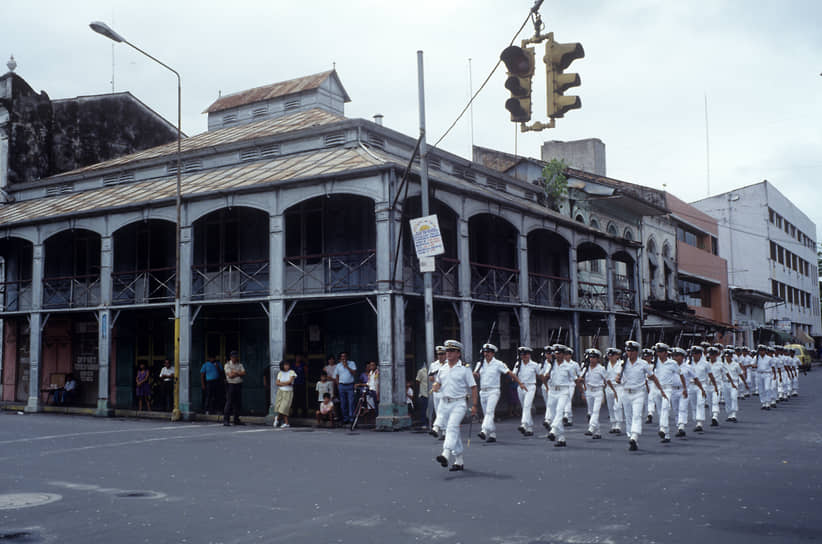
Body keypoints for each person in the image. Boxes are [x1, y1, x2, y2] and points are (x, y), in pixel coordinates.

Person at [432, 339, 478, 472]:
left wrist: (474, 405)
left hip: (459, 403)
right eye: (447, 351)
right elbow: (438, 383)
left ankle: (445, 454)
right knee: (454, 432)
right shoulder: (442, 369)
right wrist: (436, 385)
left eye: (452, 351)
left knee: (452, 428)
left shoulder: (464, 369)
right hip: (445, 403)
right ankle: (459, 460)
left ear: (458, 353)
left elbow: (473, 387)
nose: (448, 353)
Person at [618, 340, 666, 451]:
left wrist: (661, 390)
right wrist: (617, 378)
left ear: (636, 352)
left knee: (637, 415)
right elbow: (618, 376)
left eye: (631, 351)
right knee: (628, 417)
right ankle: (631, 437)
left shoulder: (643, 364)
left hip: (638, 393)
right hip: (626, 392)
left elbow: (653, 377)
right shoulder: (623, 363)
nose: (628, 353)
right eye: (627, 351)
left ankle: (634, 436)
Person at [473, 343, 526, 443]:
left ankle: (484, 430)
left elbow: (509, 373)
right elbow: (475, 375)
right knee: (487, 414)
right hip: (483, 391)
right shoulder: (480, 363)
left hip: (494, 391)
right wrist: (474, 374)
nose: (486, 354)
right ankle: (492, 434)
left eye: (488, 352)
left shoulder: (498, 363)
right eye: (485, 352)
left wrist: (520, 383)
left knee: (489, 412)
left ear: (493, 354)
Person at [651, 343, 686, 443]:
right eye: (658, 352)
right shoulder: (654, 363)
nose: (659, 354)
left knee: (665, 409)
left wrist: (684, 388)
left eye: (661, 352)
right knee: (659, 411)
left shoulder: (672, 363)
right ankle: (666, 435)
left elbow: (681, 375)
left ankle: (662, 428)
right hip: (657, 388)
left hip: (667, 389)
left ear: (666, 353)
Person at [545, 344, 579, 447]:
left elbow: (575, 379)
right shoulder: (551, 364)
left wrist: (582, 390)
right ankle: (561, 438)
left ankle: (553, 430)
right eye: (556, 353)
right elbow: (545, 377)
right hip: (552, 391)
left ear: (564, 355)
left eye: (559, 353)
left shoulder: (568, 367)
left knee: (560, 411)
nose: (557, 355)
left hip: (563, 391)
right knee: (553, 412)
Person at [581, 349, 617, 440]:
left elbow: (607, 380)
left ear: (598, 359)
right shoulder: (585, 367)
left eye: (594, 357)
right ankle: (597, 432)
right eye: (590, 357)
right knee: (590, 411)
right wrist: (583, 391)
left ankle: (591, 428)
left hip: (598, 391)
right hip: (589, 391)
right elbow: (582, 379)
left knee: (596, 411)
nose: (592, 359)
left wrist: (613, 391)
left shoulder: (601, 369)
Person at [513, 346, 539, 436]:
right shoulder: (518, 364)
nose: (524, 356)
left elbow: (540, 375)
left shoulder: (535, 365)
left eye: (525, 355)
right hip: (520, 386)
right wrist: (519, 383)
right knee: (524, 406)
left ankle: (524, 424)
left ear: (529, 355)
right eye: (522, 355)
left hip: (530, 386)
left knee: (527, 406)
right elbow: (513, 375)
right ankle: (530, 428)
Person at [688, 345, 713, 432]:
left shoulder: (706, 364)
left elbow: (710, 375)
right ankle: (696, 420)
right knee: (693, 404)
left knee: (700, 403)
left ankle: (700, 422)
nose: (694, 355)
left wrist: (714, 386)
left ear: (700, 354)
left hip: (702, 385)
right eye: (693, 354)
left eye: (696, 354)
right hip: (691, 385)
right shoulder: (688, 363)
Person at [428, 346, 448, 437]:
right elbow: (431, 377)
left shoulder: (449, 364)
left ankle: (445, 431)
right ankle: (443, 431)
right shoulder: (433, 365)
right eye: (439, 354)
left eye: (442, 354)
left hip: (446, 391)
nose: (440, 356)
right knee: (438, 411)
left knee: (445, 412)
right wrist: (432, 378)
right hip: (437, 391)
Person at [223, 350, 246, 426]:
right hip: (230, 384)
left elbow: (244, 373)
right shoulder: (227, 365)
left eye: (236, 357)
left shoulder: (240, 364)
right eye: (233, 357)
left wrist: (235, 372)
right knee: (229, 402)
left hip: (238, 384)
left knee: (237, 403)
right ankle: (226, 420)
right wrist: (238, 373)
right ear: (231, 357)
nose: (235, 358)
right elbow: (230, 375)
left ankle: (236, 419)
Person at [333, 352, 358, 425]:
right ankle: (345, 418)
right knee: (343, 403)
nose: (343, 358)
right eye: (342, 357)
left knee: (351, 402)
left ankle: (351, 418)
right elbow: (336, 376)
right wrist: (338, 385)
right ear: (340, 358)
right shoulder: (338, 365)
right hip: (342, 385)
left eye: (345, 356)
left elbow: (354, 373)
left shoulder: (352, 363)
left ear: (347, 357)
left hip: (350, 385)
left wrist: (347, 366)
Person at [604, 348, 624, 434]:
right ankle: (613, 424)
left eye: (613, 355)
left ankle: (618, 425)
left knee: (617, 406)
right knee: (610, 407)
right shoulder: (606, 364)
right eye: (609, 355)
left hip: (618, 387)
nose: (611, 357)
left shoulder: (621, 364)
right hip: (608, 387)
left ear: (617, 356)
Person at [273, 360, 297, 428]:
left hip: (288, 392)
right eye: (285, 365)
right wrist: (285, 384)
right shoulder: (280, 373)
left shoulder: (292, 372)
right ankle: (286, 423)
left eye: (288, 365)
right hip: (280, 391)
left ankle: (277, 418)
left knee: (284, 407)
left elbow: (290, 382)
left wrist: (282, 384)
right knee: (279, 406)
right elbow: (277, 383)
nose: (287, 366)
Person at [415, 360, 430, 428]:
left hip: (432, 394)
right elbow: (417, 381)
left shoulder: (435, 370)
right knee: (423, 409)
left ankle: (431, 423)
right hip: (424, 393)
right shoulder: (421, 371)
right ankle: (424, 423)